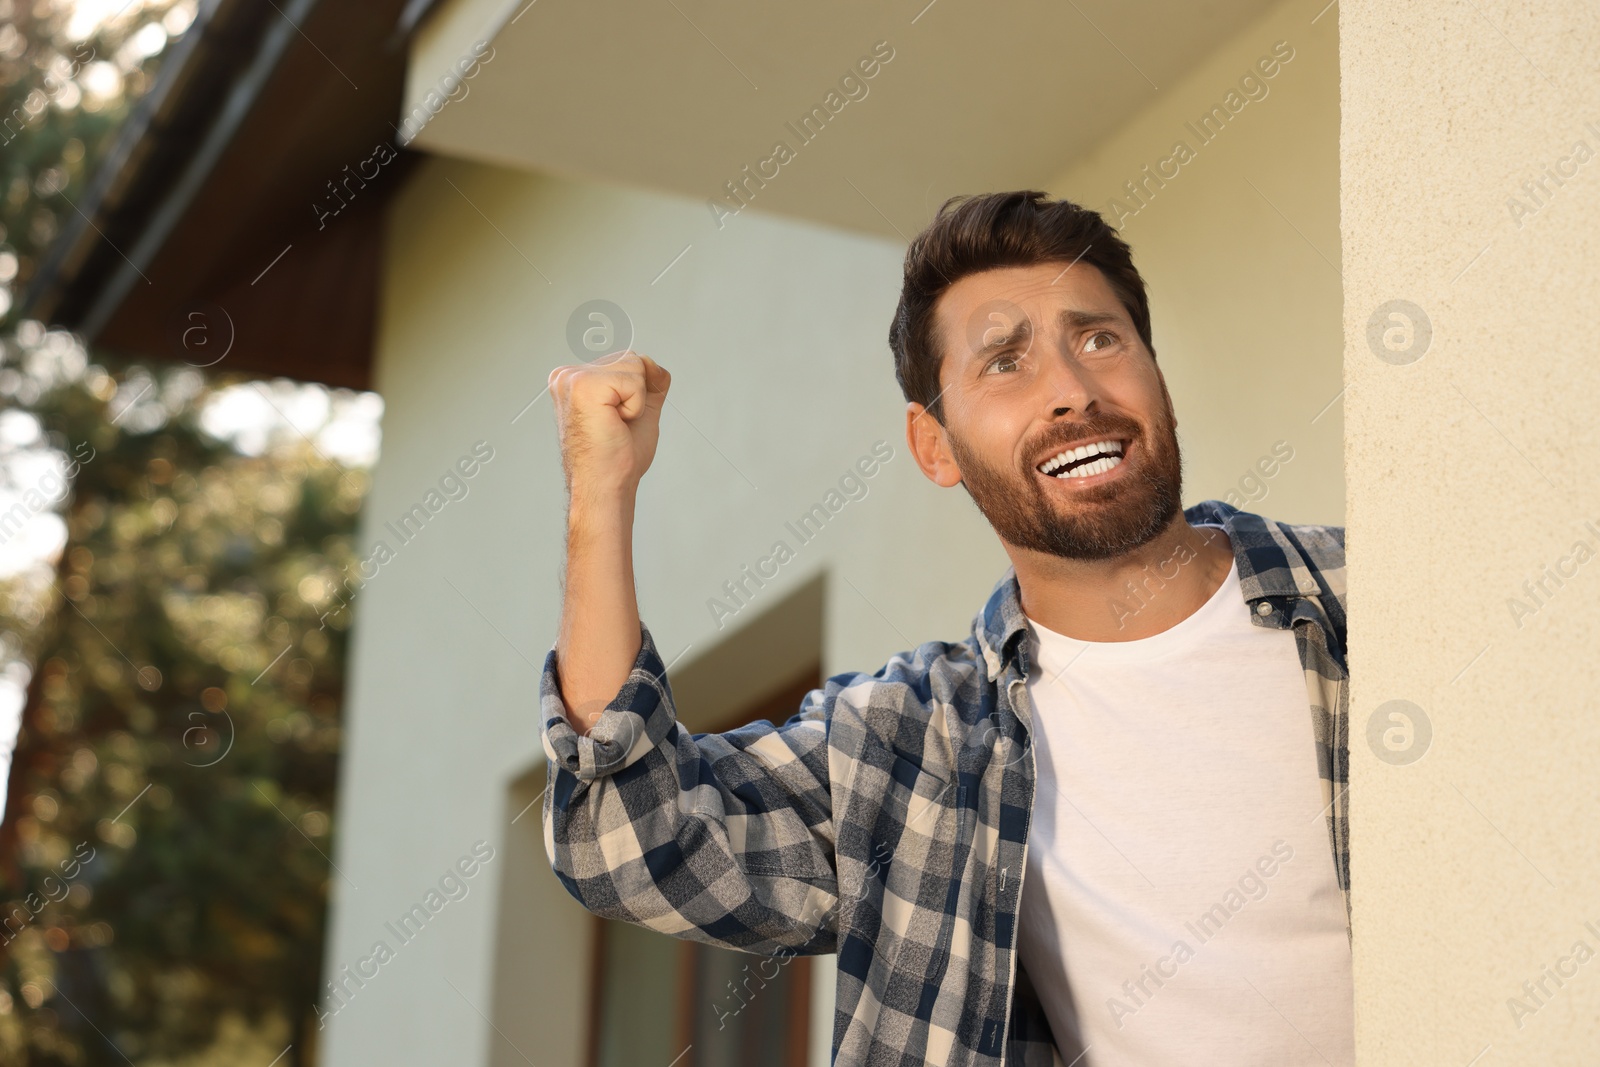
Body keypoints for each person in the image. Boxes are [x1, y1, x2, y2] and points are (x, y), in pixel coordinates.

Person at [539, 190, 1352, 1066]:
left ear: (1159, 379)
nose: (1073, 393)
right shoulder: (916, 746)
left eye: (1100, 340)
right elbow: (629, 840)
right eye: (1006, 363)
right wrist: (602, 492)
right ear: (936, 446)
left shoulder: (1366, 593)